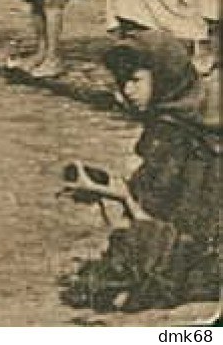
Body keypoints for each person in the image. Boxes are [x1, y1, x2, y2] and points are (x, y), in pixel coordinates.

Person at [60, 31, 220, 313]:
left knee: (103, 292)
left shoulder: (173, 135)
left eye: (135, 80)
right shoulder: (192, 116)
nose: (128, 91)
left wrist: (121, 196)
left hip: (197, 255)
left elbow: (161, 221)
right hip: (197, 243)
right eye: (123, 82)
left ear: (164, 76)